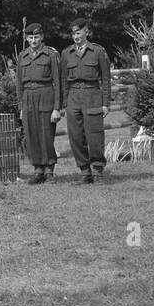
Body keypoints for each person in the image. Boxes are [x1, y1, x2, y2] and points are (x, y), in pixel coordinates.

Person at [58, 19, 111, 183]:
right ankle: (85, 172)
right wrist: (65, 104)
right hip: (73, 97)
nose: (76, 37)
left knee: (94, 135)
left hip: (92, 95)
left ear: (86, 32)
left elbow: (106, 79)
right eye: (73, 34)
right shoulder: (66, 53)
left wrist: (106, 103)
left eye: (79, 33)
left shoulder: (97, 51)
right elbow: (64, 81)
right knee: (76, 137)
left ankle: (97, 171)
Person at [16, 22, 61, 184]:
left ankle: (49, 170)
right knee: (32, 134)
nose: (33, 40)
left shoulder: (50, 54)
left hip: (45, 94)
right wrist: (21, 107)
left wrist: (57, 108)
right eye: (30, 37)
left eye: (36, 37)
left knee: (46, 133)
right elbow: (19, 84)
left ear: (41, 37)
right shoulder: (23, 56)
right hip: (28, 96)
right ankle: (38, 170)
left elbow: (57, 81)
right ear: (26, 38)